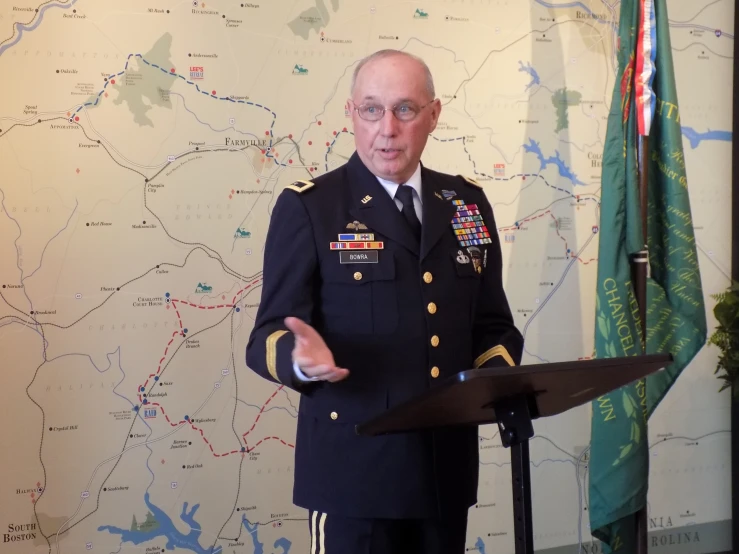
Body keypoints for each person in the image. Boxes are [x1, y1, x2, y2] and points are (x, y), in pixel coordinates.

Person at [246, 49, 524, 554]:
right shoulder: (312, 207)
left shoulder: (465, 204)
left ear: (433, 116)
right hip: (354, 475)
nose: (387, 128)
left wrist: (497, 381)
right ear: (351, 114)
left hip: (444, 471)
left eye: (405, 109)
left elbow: (492, 326)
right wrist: (300, 360)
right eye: (372, 109)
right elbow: (265, 337)